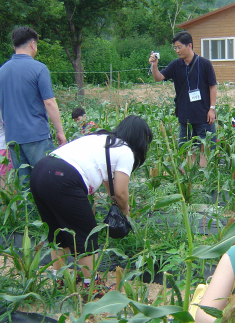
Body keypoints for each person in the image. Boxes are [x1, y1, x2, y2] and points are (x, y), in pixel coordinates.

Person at [30, 115, 153, 290]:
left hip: (41, 171)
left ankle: (60, 279)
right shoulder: (125, 151)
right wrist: (126, 212)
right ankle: (92, 285)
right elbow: (121, 192)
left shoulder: (101, 139)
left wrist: (116, 202)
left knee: (58, 234)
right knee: (87, 235)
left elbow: (109, 184)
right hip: (64, 178)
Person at [0, 26, 66, 180]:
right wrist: (60, 131)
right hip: (37, 136)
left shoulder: (0, 72)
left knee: (24, 186)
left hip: (13, 138)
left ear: (14, 46)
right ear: (32, 44)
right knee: (47, 180)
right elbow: (49, 102)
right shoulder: (39, 69)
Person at [149, 31, 217, 167]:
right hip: (184, 116)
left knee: (206, 147)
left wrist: (212, 109)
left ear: (189, 46)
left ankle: (204, 176)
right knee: (187, 148)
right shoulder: (175, 65)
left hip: (204, 115)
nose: (177, 51)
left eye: (179, 47)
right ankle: (189, 178)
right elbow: (158, 78)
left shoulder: (204, 64)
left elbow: (212, 87)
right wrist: (154, 66)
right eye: (175, 48)